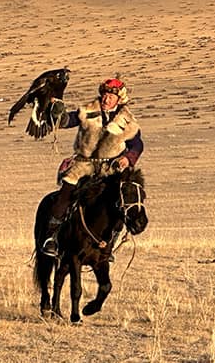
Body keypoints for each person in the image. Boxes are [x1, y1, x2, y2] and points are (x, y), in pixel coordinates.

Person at [41, 77, 143, 257]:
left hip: (111, 169)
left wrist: (128, 158)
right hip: (83, 164)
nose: (106, 99)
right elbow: (67, 121)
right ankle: (52, 238)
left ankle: (110, 242)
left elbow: (137, 145)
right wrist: (57, 114)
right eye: (104, 94)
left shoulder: (129, 122)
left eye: (111, 96)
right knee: (66, 193)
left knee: (121, 201)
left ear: (119, 99)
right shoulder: (87, 111)